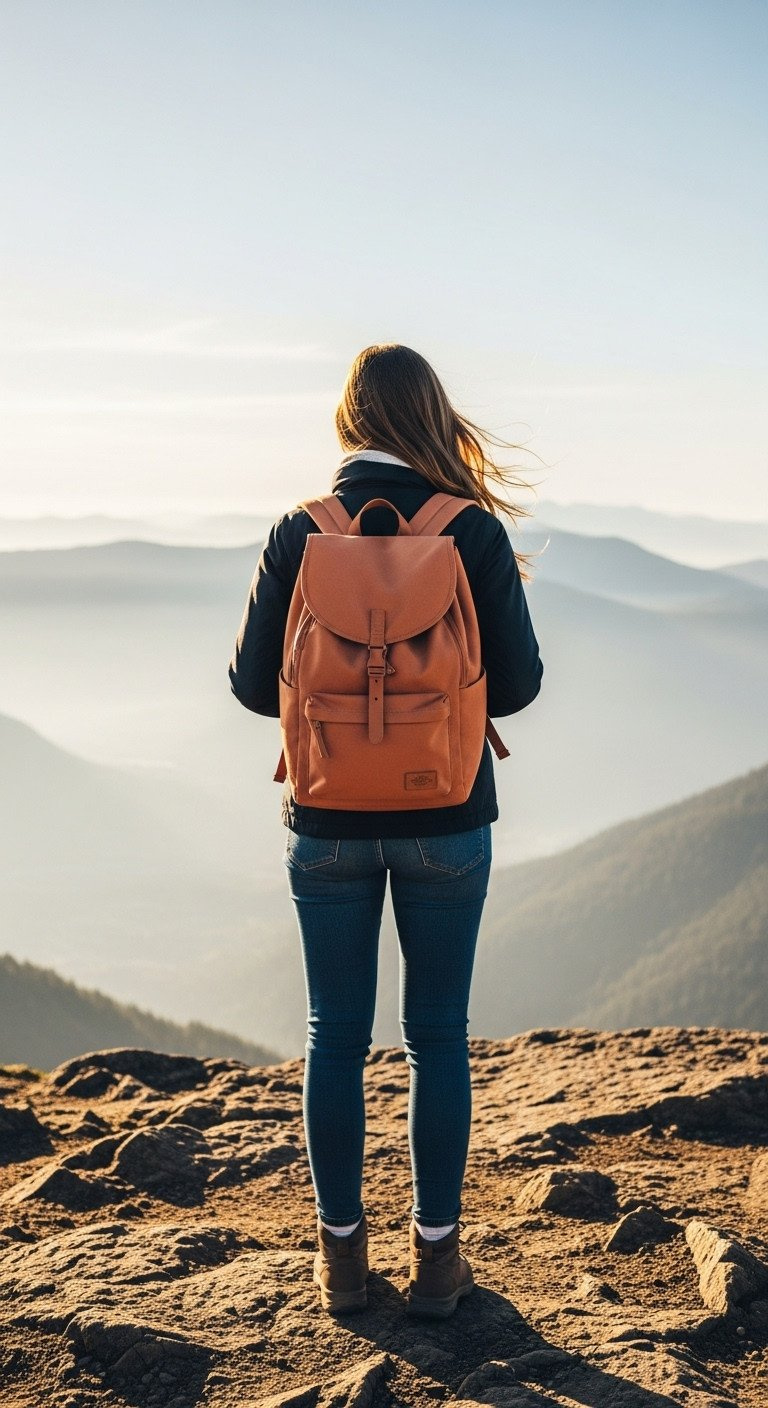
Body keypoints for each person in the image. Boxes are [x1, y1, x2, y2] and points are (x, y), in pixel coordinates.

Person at [228, 343, 544, 1318]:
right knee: (435, 1035)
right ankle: (438, 1264)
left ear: (349, 420)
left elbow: (249, 686)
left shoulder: (300, 531)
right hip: (447, 818)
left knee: (334, 1034)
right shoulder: (470, 532)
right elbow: (523, 686)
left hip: (326, 816)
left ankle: (339, 1260)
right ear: (428, 418)